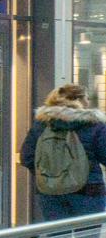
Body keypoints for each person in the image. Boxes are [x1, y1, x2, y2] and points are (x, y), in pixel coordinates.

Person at [19, 84, 106, 221]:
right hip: (89, 190)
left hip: (50, 192)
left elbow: (27, 157)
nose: (88, 102)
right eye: (87, 98)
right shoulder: (94, 125)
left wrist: (50, 175)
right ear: (79, 100)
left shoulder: (41, 124)